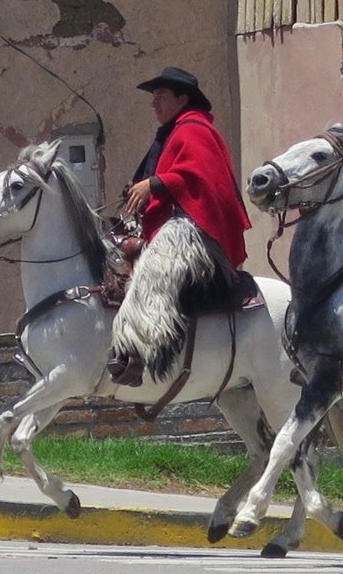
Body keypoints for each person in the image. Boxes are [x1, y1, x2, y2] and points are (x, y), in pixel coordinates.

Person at [107, 67, 251, 385]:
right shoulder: (173, 132)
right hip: (177, 225)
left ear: (182, 99)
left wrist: (155, 184)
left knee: (155, 270)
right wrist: (140, 190)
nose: (154, 103)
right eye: (153, 97)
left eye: (161, 96)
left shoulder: (194, 129)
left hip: (198, 234)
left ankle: (145, 349)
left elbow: (200, 176)